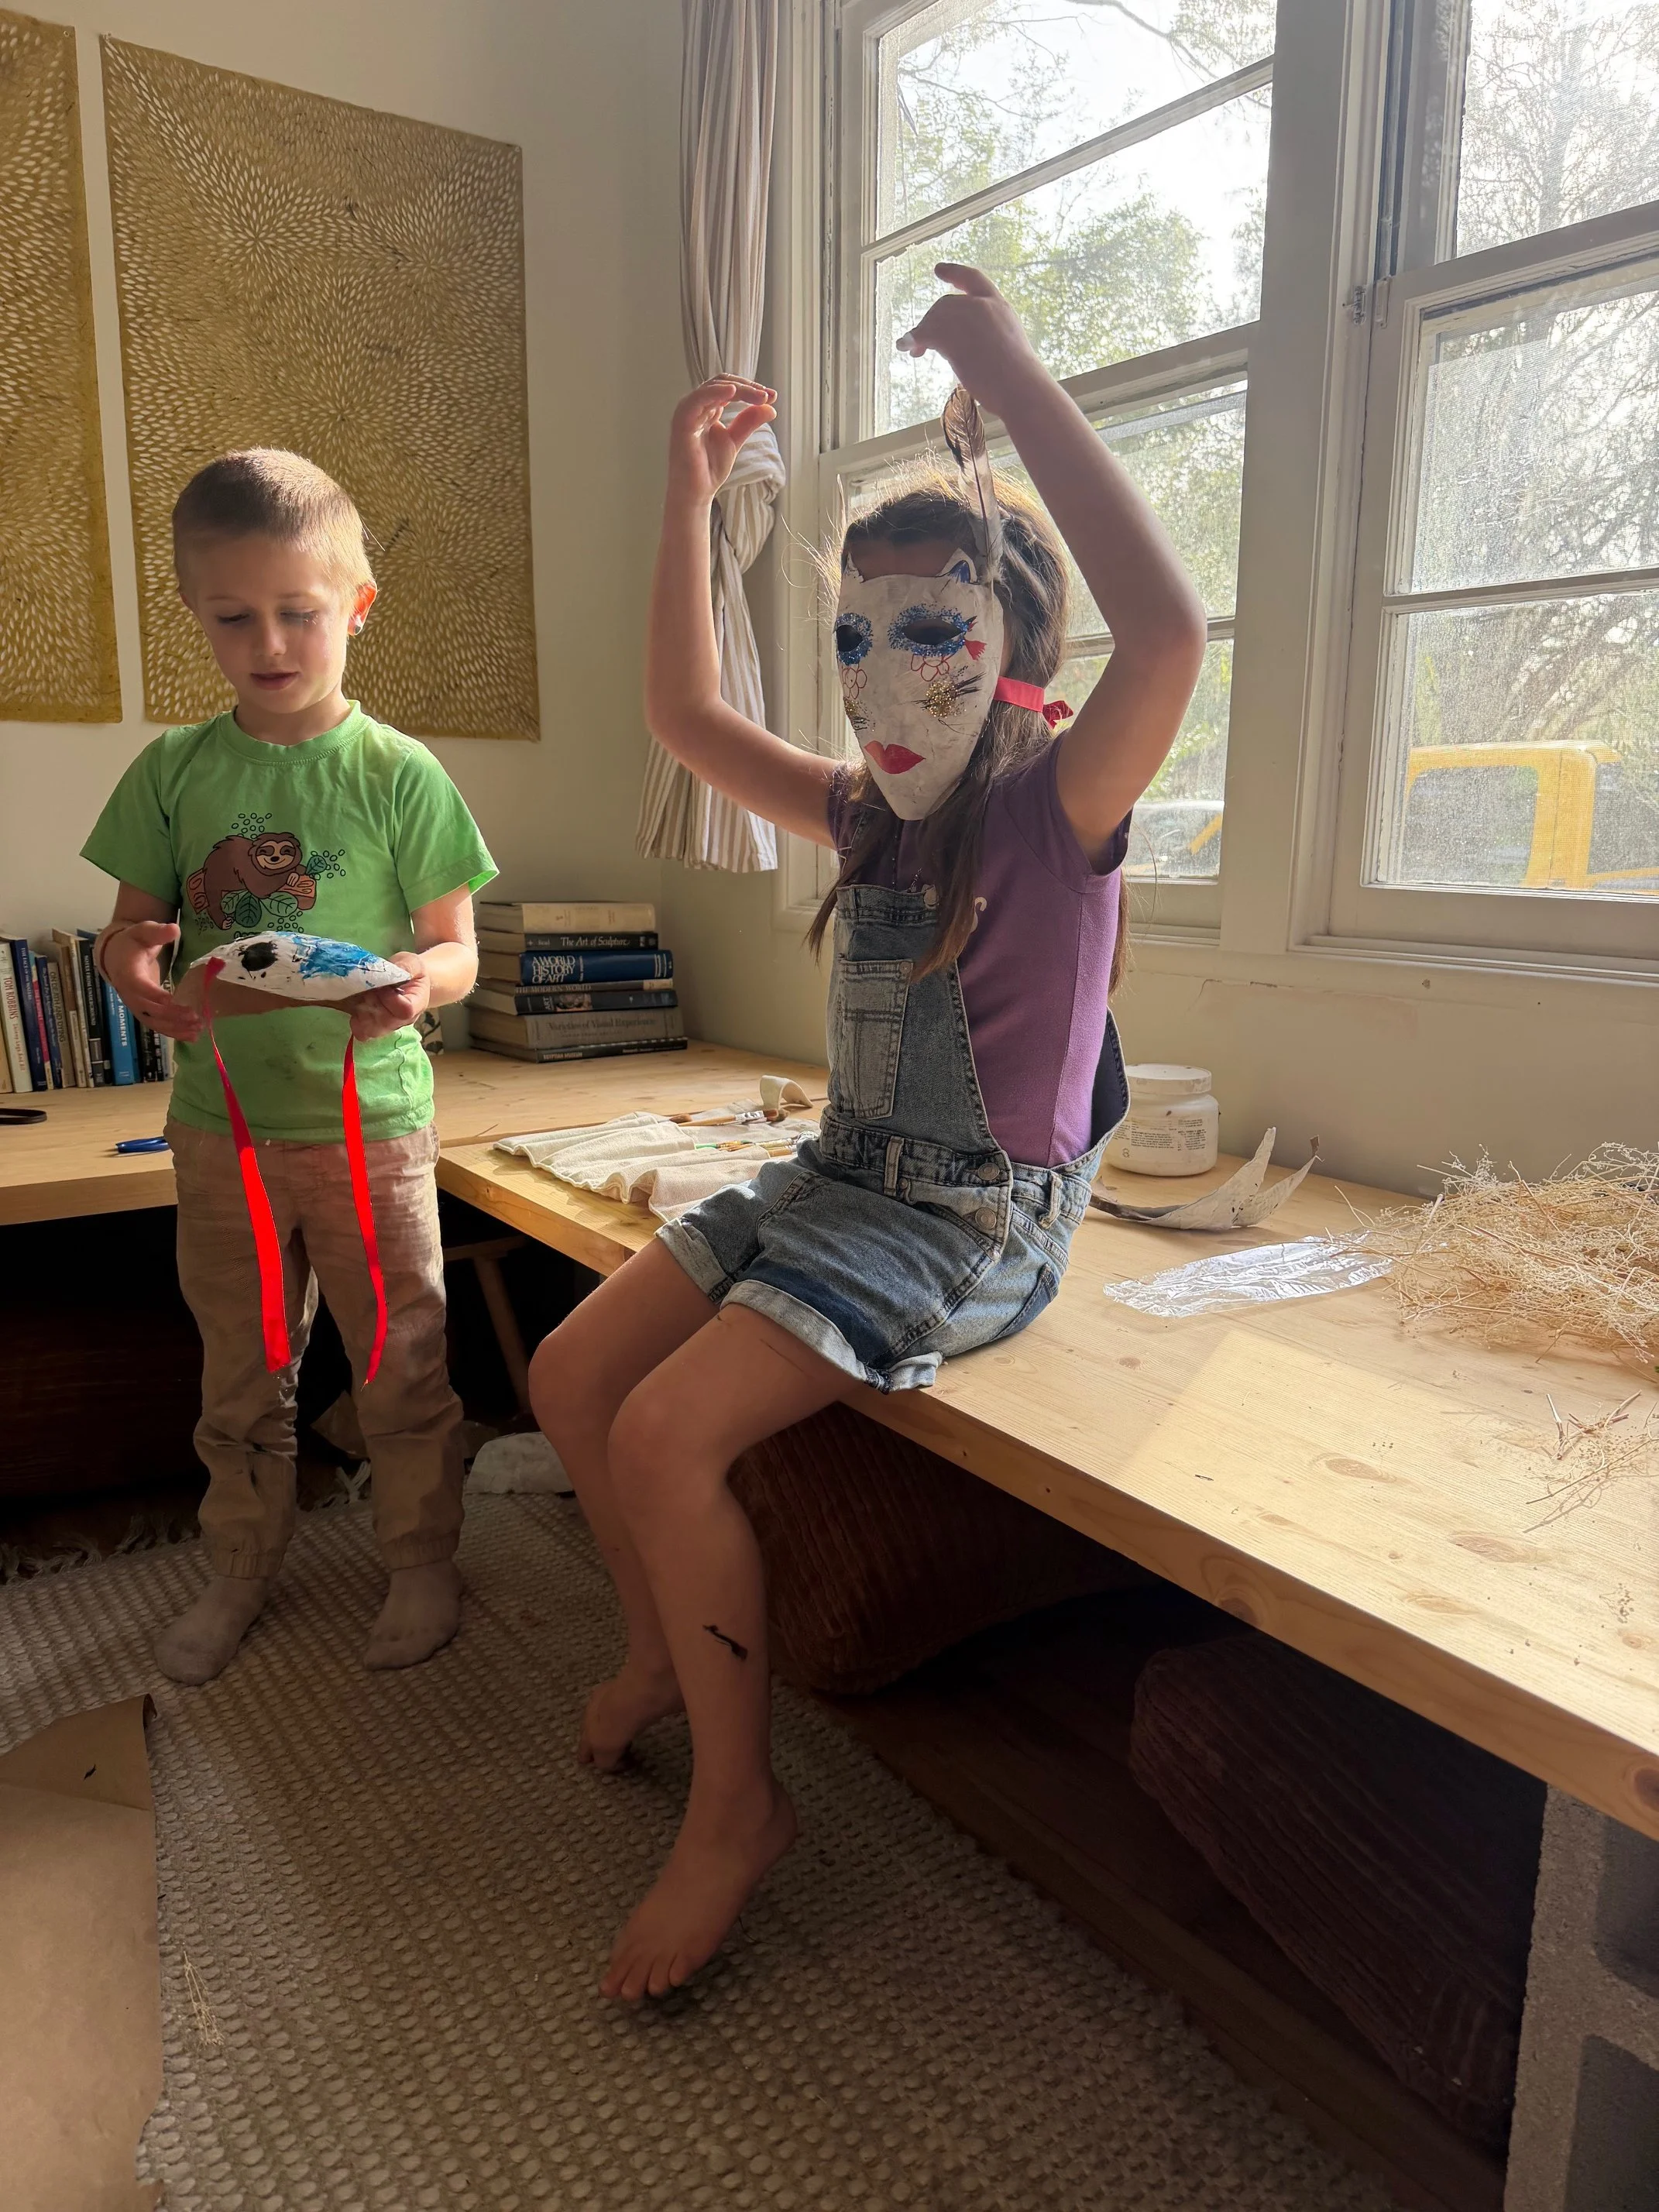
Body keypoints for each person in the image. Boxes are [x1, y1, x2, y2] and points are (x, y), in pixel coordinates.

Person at [528, 266, 1206, 2002]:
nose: (880, 679)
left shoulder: (1060, 806)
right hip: (842, 1173)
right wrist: (686, 501)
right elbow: (685, 721)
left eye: (929, 636)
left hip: (974, 1219)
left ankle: (738, 1811)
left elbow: (1171, 636)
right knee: (573, 1375)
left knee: (669, 1434)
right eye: (853, 639)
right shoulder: (861, 813)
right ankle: (662, 1650)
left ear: (1013, 653)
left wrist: (1014, 373)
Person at [84, 449, 496, 1684]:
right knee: (241, 1368)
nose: (268, 642)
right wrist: (132, 969)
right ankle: (241, 1565)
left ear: (355, 606)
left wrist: (417, 982)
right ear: (195, 613)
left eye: (297, 612)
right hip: (223, 1132)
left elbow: (458, 951)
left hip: (370, 1126)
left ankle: (419, 1558)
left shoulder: (399, 772)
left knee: (400, 1361)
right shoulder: (173, 770)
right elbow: (128, 928)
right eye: (233, 617)